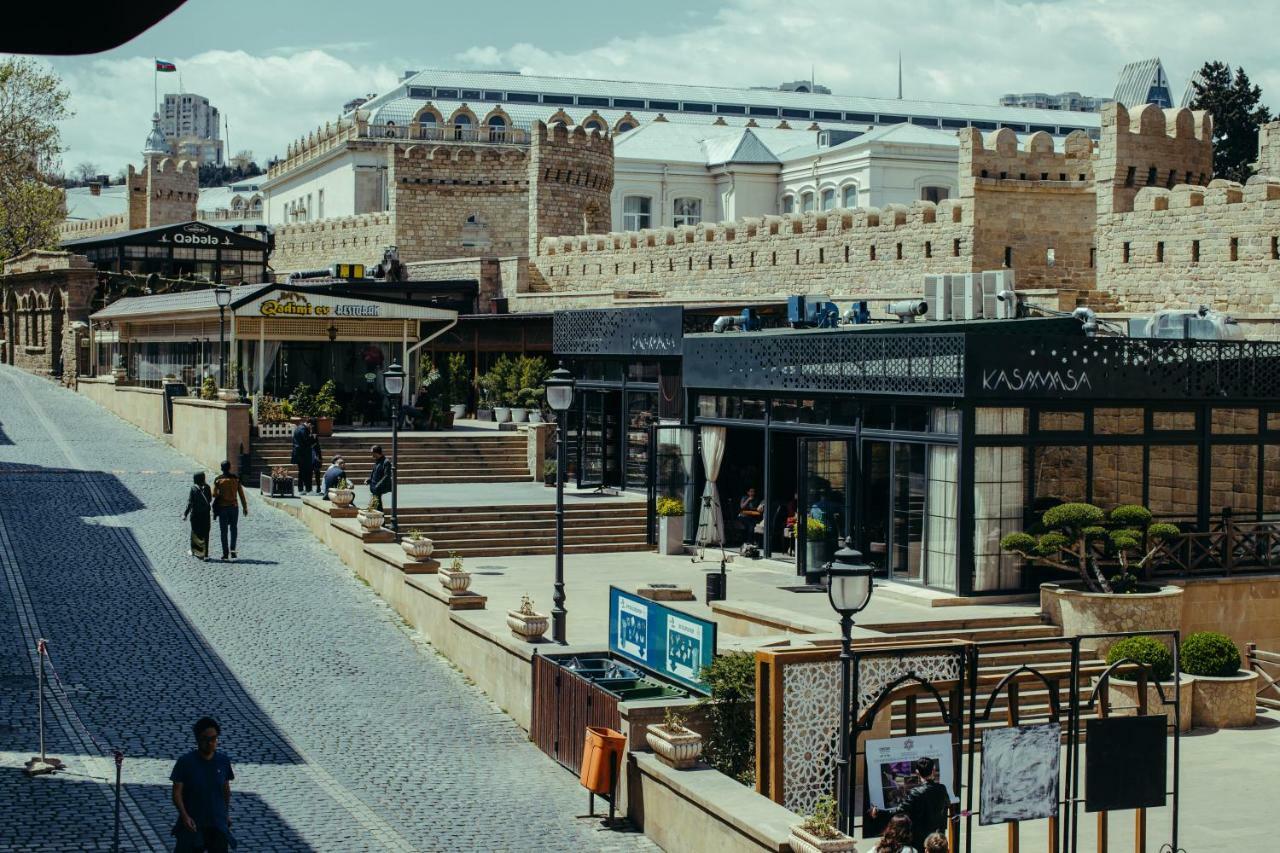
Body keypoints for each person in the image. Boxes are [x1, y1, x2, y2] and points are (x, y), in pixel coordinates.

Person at [170, 716, 235, 852]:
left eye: (214, 738)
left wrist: (225, 813)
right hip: (193, 822)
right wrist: (184, 816)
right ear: (198, 739)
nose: (210, 743)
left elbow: (225, 789)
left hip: (216, 823)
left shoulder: (223, 761)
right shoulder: (185, 762)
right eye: (206, 739)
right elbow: (177, 793)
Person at [871, 757, 950, 853]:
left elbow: (899, 811)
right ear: (933, 770)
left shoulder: (915, 792)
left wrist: (878, 812)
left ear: (917, 772)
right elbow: (947, 805)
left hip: (919, 839)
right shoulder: (942, 788)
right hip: (936, 838)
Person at [211, 461, 248, 561]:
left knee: (223, 531)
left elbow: (214, 494)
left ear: (221, 468)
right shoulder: (236, 479)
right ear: (230, 467)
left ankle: (225, 554)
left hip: (223, 508)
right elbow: (241, 494)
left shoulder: (218, 480)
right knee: (234, 529)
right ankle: (233, 551)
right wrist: (245, 507)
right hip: (234, 507)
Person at [183, 473, 213, 561]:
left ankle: (193, 551)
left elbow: (190, 503)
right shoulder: (207, 487)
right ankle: (206, 554)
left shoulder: (193, 488)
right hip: (206, 515)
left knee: (195, 532)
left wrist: (185, 514)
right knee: (206, 533)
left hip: (195, 515)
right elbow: (210, 499)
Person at [290, 419, 313, 494]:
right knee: (306, 472)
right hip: (303, 454)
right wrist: (312, 436)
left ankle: (301, 489)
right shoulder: (303, 429)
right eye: (311, 426)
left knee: (301, 472)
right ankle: (307, 489)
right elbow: (307, 441)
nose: (311, 427)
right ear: (308, 423)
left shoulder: (298, 428)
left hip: (298, 453)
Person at [367, 445, 392, 510]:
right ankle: (379, 519)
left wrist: (378, 485)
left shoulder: (386, 462)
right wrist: (369, 479)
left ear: (376, 452)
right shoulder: (377, 460)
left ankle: (380, 519)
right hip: (374, 487)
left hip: (379, 487)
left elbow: (387, 475)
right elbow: (374, 472)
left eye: (372, 452)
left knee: (378, 506)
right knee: (376, 505)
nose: (371, 454)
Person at [308, 420, 324, 495]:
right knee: (313, 473)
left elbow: (316, 445)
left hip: (314, 455)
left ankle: (317, 487)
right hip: (312, 455)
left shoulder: (313, 433)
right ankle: (314, 488)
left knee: (316, 472)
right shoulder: (309, 432)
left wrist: (319, 458)